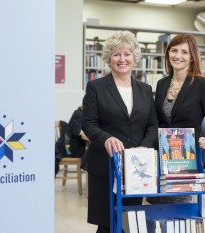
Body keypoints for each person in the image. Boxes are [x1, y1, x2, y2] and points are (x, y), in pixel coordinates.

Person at [146, 33, 205, 232]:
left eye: (184, 52)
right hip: (160, 156)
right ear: (168, 53)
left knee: (179, 212)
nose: (178, 56)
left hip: (185, 159)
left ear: (192, 57)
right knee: (157, 209)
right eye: (174, 50)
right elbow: (157, 121)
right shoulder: (162, 84)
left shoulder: (202, 84)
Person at [82, 30, 158, 233]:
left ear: (134, 58)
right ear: (109, 58)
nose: (122, 59)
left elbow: (152, 124)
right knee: (107, 224)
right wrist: (106, 138)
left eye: (127, 54)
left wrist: (146, 145)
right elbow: (88, 124)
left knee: (130, 222)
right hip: (106, 165)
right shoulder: (95, 87)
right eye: (116, 54)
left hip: (137, 168)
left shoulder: (144, 89)